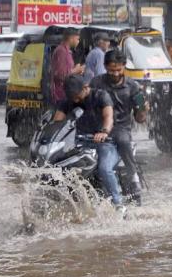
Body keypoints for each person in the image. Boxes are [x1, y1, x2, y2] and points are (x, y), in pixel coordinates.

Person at [53, 76, 125, 213]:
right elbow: (57, 123)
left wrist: (104, 132)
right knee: (63, 167)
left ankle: (118, 204)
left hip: (105, 142)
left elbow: (108, 117)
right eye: (72, 97)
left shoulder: (101, 96)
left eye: (77, 96)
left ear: (85, 88)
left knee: (105, 168)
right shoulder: (68, 101)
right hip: (80, 143)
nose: (75, 100)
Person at [90, 49, 147, 204]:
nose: (115, 73)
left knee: (123, 140)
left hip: (121, 129)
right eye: (111, 70)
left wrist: (143, 109)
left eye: (118, 70)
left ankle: (133, 175)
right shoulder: (96, 83)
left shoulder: (133, 86)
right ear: (105, 67)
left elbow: (140, 117)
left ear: (124, 67)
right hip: (97, 129)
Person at [51, 28, 85, 105]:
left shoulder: (66, 51)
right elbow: (60, 75)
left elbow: (66, 71)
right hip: (61, 95)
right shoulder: (61, 51)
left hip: (66, 93)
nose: (78, 41)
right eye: (77, 39)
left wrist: (77, 71)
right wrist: (76, 70)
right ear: (71, 38)